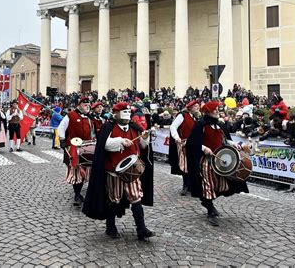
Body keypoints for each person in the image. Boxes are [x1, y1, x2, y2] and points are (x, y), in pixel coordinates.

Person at [83, 102, 154, 241]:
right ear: (116, 114)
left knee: (136, 197)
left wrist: (145, 138)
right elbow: (105, 144)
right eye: (123, 113)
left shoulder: (134, 127)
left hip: (132, 170)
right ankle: (111, 227)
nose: (127, 117)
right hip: (114, 170)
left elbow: (142, 146)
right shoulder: (108, 127)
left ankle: (142, 229)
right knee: (114, 198)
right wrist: (121, 141)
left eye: (128, 113)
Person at [185, 101, 249, 226]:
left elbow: (225, 140)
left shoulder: (220, 125)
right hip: (206, 161)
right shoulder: (200, 125)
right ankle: (210, 211)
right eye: (215, 109)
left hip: (220, 161)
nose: (217, 111)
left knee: (221, 185)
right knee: (207, 184)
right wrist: (204, 148)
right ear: (208, 112)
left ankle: (207, 201)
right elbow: (192, 142)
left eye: (217, 109)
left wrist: (234, 144)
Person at [58, 97, 95, 206]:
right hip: (74, 146)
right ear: (79, 105)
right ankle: (77, 195)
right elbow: (61, 128)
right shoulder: (70, 116)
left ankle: (83, 193)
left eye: (88, 105)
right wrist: (62, 140)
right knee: (77, 171)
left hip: (88, 146)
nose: (87, 106)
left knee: (88, 169)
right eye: (85, 105)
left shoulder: (90, 117)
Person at [169, 100, 200, 196]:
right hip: (184, 144)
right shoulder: (182, 115)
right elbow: (173, 127)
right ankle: (185, 185)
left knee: (193, 164)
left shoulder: (195, 117)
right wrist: (177, 137)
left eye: (198, 106)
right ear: (190, 107)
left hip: (193, 144)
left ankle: (191, 185)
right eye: (195, 106)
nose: (198, 108)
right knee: (185, 165)